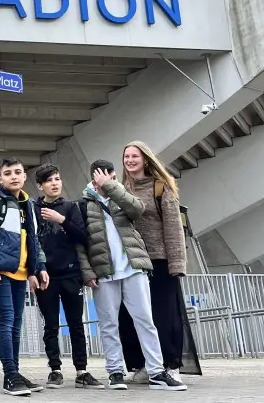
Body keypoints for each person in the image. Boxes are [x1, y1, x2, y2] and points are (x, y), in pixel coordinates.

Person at [78, 160, 186, 392]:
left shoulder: (122, 197)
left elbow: (138, 209)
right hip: (104, 273)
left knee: (145, 320)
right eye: (105, 179)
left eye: (114, 178)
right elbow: (80, 244)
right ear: (94, 179)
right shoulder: (83, 205)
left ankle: (157, 371)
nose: (111, 182)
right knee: (109, 324)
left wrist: (112, 188)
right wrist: (87, 273)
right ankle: (115, 372)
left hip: (133, 268)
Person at [119, 141, 201, 383]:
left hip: (160, 261)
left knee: (165, 314)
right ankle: (143, 363)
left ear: (145, 160)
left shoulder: (161, 188)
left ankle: (170, 363)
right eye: (126, 156)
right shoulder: (122, 189)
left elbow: (174, 229)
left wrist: (177, 265)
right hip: (133, 262)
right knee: (132, 315)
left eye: (135, 156)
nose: (130, 160)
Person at [0, 158, 49, 397]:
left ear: (24, 177)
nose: (13, 176)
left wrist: (40, 267)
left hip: (21, 272)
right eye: (8, 173)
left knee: (16, 324)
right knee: (6, 319)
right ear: (0, 178)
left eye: (18, 172)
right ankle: (10, 375)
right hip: (0, 271)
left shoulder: (28, 204)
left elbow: (33, 239)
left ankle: (14, 372)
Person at [32, 164, 102, 389]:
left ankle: (82, 370)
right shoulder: (32, 209)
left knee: (76, 324)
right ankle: (55, 370)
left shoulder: (72, 207)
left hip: (71, 273)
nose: (55, 183)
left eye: (57, 179)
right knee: (51, 325)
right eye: (49, 180)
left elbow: (82, 236)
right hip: (45, 276)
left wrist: (61, 219)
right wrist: (32, 273)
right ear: (40, 185)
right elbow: (29, 243)